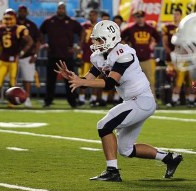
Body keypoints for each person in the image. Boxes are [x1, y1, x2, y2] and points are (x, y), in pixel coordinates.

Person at [55, 20, 183, 181]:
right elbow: (86, 81)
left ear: (111, 38)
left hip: (141, 100)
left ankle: (112, 171)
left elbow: (110, 83)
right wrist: (74, 78)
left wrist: (83, 82)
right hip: (132, 101)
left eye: (100, 39)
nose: (95, 43)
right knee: (126, 149)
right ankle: (170, 158)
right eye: (95, 39)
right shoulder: (98, 56)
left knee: (103, 125)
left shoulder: (124, 53)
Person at [40, 2, 83, 108]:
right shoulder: (49, 21)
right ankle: (48, 101)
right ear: (57, 9)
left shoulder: (72, 22)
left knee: (70, 80)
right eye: (59, 8)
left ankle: (73, 102)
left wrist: (78, 46)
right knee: (50, 81)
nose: (61, 10)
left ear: (65, 10)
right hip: (53, 55)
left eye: (63, 8)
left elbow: (83, 32)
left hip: (67, 56)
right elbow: (40, 32)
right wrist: (44, 44)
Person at [0, 8, 33, 109]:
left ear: (14, 18)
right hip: (3, 59)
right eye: (6, 18)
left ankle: (12, 103)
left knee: (12, 82)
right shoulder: (0, 28)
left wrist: (22, 52)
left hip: (13, 60)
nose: (8, 21)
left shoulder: (19, 28)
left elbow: (30, 41)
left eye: (10, 18)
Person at [121, 10, 160, 96]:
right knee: (134, 81)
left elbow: (157, 37)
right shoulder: (130, 28)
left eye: (141, 17)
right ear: (135, 18)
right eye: (138, 17)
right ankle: (135, 100)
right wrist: (127, 46)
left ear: (144, 17)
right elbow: (121, 38)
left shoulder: (150, 28)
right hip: (134, 59)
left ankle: (151, 99)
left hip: (147, 59)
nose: (140, 19)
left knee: (150, 80)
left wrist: (152, 45)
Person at [163, 8, 193, 107]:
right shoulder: (168, 27)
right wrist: (172, 54)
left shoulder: (186, 27)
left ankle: (190, 100)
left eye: (177, 14)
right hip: (173, 58)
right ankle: (173, 100)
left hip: (186, 57)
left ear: (181, 15)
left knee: (189, 80)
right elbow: (166, 44)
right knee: (175, 79)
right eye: (174, 14)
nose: (175, 16)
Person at [17, 5, 41, 108]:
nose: (22, 13)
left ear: (26, 13)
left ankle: (27, 99)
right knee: (11, 79)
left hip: (27, 56)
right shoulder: (13, 24)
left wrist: (35, 54)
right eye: (20, 11)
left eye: (24, 11)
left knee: (27, 79)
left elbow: (38, 41)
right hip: (14, 56)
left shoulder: (31, 25)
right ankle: (11, 99)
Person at [171, 13, 196, 105]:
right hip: (188, 62)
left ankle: (191, 99)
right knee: (182, 80)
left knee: (192, 82)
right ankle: (183, 99)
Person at [78, 9, 99, 106]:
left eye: (94, 15)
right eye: (91, 15)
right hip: (86, 56)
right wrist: (79, 54)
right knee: (83, 77)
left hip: (98, 57)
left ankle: (93, 99)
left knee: (96, 78)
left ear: (97, 16)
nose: (92, 16)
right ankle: (81, 98)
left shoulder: (100, 26)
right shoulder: (84, 26)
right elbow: (81, 41)